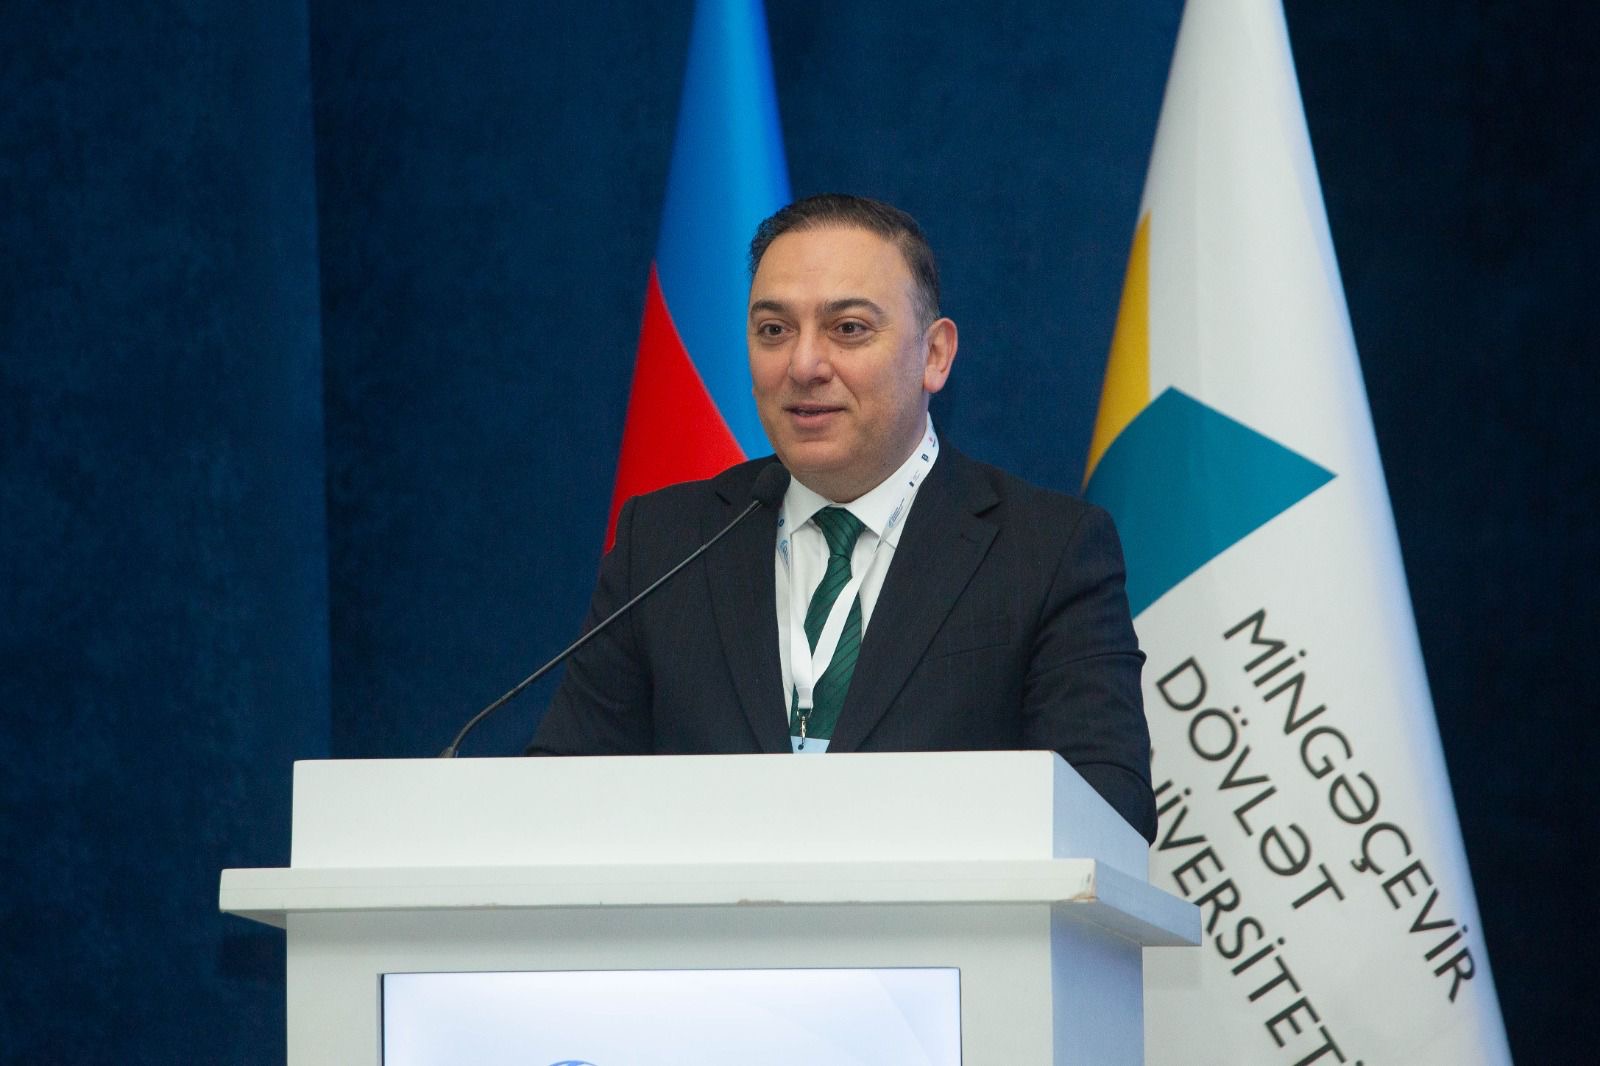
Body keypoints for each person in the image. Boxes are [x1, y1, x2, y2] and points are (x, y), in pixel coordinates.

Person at [529, 194, 1155, 842]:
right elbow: (557, 794)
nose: (803, 365)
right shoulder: (665, 544)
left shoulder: (1046, 552)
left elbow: (1109, 808)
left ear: (935, 355)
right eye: (774, 330)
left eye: (848, 328)